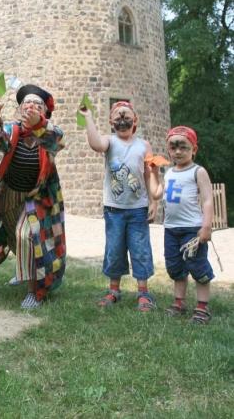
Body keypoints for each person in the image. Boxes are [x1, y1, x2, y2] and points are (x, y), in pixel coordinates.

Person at [0, 84, 66, 309]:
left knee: (26, 234)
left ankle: (34, 292)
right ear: (19, 110)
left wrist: (38, 125)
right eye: (27, 103)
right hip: (9, 193)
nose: (32, 106)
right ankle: (25, 270)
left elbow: (55, 141)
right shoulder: (12, 129)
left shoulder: (52, 133)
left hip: (38, 197)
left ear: (45, 112)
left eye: (38, 104)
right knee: (12, 235)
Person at [80, 101, 159, 311]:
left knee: (140, 250)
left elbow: (150, 173)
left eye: (126, 117)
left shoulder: (144, 145)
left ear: (136, 120)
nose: (122, 121)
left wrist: (154, 201)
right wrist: (88, 117)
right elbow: (96, 144)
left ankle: (143, 292)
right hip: (114, 210)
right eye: (118, 118)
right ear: (110, 122)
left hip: (138, 209)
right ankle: (114, 290)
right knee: (114, 249)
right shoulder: (110, 141)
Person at [147, 126, 215, 324]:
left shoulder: (198, 172)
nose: (178, 151)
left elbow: (208, 199)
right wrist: (153, 173)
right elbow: (157, 193)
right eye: (173, 147)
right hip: (171, 229)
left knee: (198, 266)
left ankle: (202, 307)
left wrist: (206, 226)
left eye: (183, 147)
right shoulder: (168, 173)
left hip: (192, 229)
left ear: (194, 149)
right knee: (175, 267)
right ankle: (179, 302)